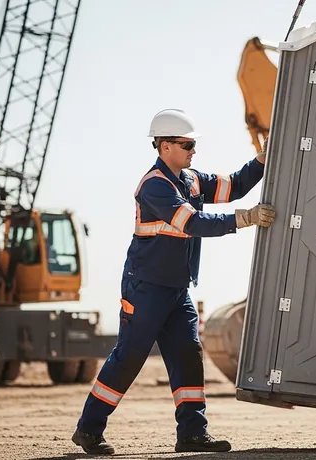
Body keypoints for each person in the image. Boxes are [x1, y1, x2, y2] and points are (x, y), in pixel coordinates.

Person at [71, 108, 275, 455]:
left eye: (193, 144)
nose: (193, 150)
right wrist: (246, 219)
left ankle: (193, 433)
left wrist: (261, 159)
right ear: (164, 146)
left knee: (187, 355)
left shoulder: (191, 179)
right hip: (146, 288)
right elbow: (192, 223)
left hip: (176, 289)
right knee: (130, 356)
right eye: (186, 144)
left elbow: (235, 185)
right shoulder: (154, 186)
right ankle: (88, 430)